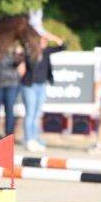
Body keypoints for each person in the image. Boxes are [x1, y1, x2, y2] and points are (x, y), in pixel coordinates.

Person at [21, 11, 65, 154]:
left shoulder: (47, 51)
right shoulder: (30, 52)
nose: (44, 42)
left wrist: (51, 36)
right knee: (30, 114)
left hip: (41, 85)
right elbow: (27, 64)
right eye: (42, 39)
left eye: (45, 40)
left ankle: (35, 138)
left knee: (37, 114)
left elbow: (63, 46)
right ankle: (29, 140)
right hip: (30, 86)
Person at [0, 43, 25, 140]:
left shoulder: (15, 53)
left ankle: (9, 135)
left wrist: (20, 54)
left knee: (9, 110)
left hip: (11, 85)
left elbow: (18, 63)